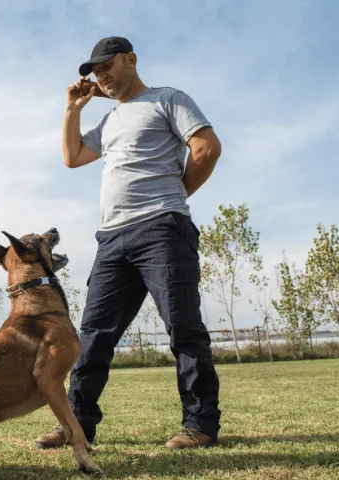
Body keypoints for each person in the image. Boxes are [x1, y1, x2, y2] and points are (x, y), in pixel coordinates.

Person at [35, 36, 223, 450]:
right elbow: (72, 157)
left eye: (107, 66)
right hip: (112, 239)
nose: (101, 75)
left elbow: (206, 148)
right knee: (93, 334)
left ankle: (200, 424)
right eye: (95, 71)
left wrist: (174, 197)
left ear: (131, 60)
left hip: (161, 230)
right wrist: (72, 109)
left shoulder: (167, 99)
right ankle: (76, 425)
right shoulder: (109, 121)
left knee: (183, 328)